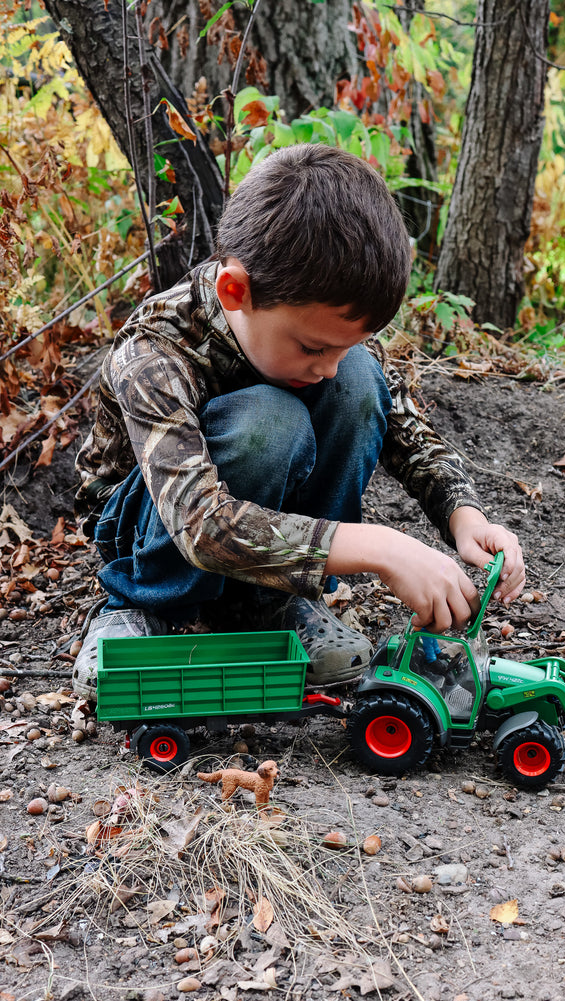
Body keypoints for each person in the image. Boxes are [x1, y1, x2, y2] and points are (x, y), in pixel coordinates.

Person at [72, 144, 525, 701]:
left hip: (256, 525)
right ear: (235, 291)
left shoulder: (320, 326)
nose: (327, 366)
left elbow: (401, 424)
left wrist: (463, 514)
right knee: (271, 421)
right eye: (313, 347)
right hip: (152, 523)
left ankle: (268, 603)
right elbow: (202, 524)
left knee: (360, 381)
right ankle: (144, 607)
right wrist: (382, 547)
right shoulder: (154, 352)